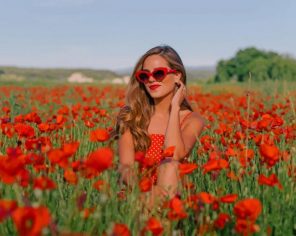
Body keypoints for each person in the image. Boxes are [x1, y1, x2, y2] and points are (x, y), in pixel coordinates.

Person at [112, 45, 205, 210]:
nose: (151, 80)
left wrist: (175, 107)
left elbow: (174, 153)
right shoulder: (130, 116)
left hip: (172, 196)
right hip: (137, 192)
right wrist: (148, 191)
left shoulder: (192, 120)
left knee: (170, 165)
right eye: (144, 75)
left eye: (158, 73)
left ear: (177, 76)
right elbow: (125, 166)